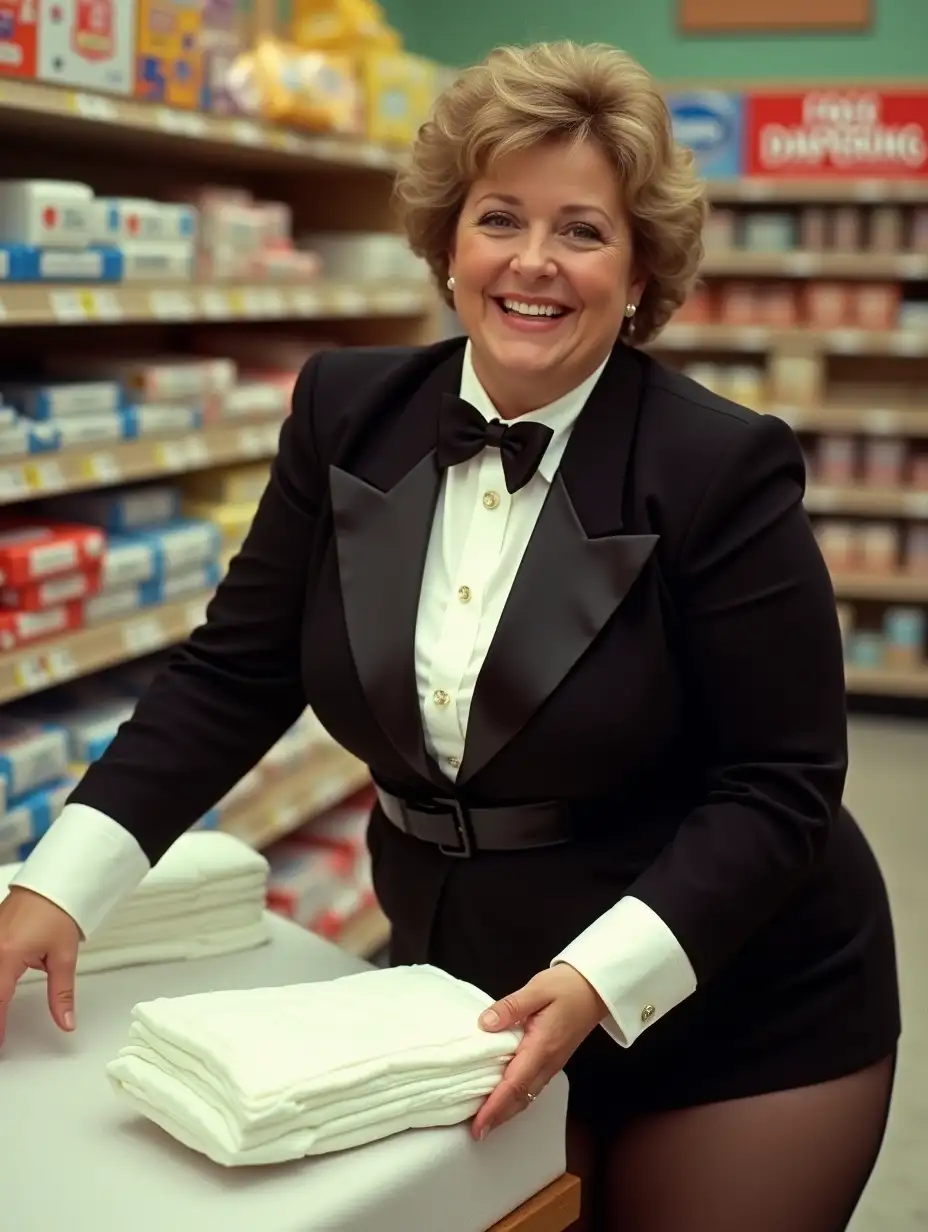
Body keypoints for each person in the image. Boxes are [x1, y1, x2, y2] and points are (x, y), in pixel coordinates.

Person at [0, 40, 899, 1231]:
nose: (533, 262)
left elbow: (780, 786)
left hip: (734, 992)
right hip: (460, 980)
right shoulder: (343, 411)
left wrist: (596, 978)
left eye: (583, 229)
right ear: (446, 242)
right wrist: (57, 892)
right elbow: (233, 672)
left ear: (638, 272)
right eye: (499, 218)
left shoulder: (717, 464)